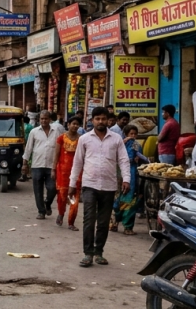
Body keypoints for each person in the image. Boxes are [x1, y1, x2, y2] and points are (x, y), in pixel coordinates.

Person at [69, 106, 131, 267]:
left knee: (103, 222)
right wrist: (72, 184)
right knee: (89, 220)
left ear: (107, 120)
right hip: (89, 185)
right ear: (92, 120)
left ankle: (99, 252)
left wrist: (126, 179)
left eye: (103, 119)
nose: (101, 121)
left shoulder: (116, 138)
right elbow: (78, 162)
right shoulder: (85, 139)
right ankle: (87, 254)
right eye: (97, 119)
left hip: (109, 186)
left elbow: (124, 160)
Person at [113, 124, 150, 234]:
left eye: (135, 134)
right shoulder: (119, 144)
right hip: (119, 173)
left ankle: (128, 226)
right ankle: (114, 222)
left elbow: (141, 158)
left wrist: (141, 159)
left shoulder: (137, 145)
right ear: (125, 134)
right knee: (116, 200)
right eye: (131, 134)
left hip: (132, 173)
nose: (133, 136)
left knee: (131, 200)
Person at [23, 110, 59, 220]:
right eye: (42, 119)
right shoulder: (34, 132)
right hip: (37, 165)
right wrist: (25, 164)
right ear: (39, 120)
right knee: (38, 190)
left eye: (46, 118)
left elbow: (60, 148)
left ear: (50, 119)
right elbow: (28, 148)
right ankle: (41, 211)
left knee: (52, 188)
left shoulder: (56, 131)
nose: (44, 120)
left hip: (51, 166)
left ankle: (47, 203)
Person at [54, 116, 83, 231]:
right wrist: (53, 169)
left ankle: (71, 222)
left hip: (77, 173)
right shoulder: (61, 138)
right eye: (73, 124)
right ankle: (61, 213)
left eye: (77, 124)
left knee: (74, 199)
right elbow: (56, 154)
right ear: (68, 124)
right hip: (62, 173)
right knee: (62, 196)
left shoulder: (81, 139)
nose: (75, 126)